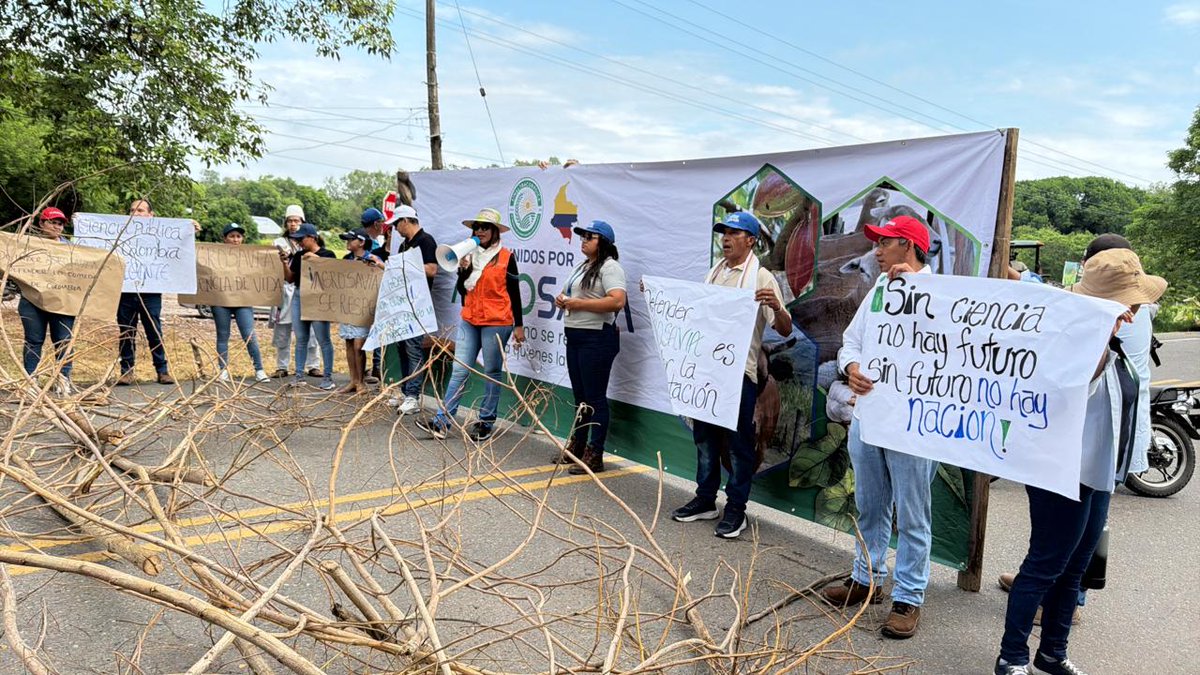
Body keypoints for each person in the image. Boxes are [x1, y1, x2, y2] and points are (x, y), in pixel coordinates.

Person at [994, 248, 1166, 675]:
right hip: (1063, 474)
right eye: (1130, 300)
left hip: (1099, 473)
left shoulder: (1115, 337)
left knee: (1075, 570)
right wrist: (1098, 331)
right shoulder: (1072, 340)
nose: (1137, 307)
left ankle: (1052, 653)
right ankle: (1011, 657)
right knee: (1043, 566)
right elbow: (1067, 392)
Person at [818, 215, 938, 639]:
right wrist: (851, 367)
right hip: (870, 417)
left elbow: (953, 346)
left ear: (908, 245)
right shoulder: (881, 290)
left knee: (912, 512)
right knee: (869, 504)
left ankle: (908, 595)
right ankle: (865, 578)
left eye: (884, 242)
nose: (876, 250)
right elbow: (852, 340)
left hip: (913, 426)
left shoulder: (943, 294)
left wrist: (922, 291)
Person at [670, 211, 792, 539]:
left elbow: (784, 329)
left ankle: (736, 508)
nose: (725, 238)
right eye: (723, 232)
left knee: (740, 444)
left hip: (739, 375)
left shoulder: (760, 278)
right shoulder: (714, 273)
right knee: (705, 438)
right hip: (708, 371)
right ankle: (705, 500)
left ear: (751, 240)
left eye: (734, 233)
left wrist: (777, 308)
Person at [415, 207, 525, 441]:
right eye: (477, 227)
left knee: (492, 372)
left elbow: (514, 293)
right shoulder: (468, 254)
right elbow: (462, 291)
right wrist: (464, 271)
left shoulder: (507, 257)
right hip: (470, 319)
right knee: (459, 370)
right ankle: (441, 422)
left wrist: (519, 326)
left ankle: (486, 421)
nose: (480, 230)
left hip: (497, 321)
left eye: (485, 227)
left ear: (495, 231)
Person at [552, 220, 626, 475]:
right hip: (576, 335)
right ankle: (578, 447)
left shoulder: (610, 267)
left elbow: (617, 301)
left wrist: (577, 304)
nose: (583, 239)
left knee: (594, 398)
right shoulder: (584, 266)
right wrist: (562, 300)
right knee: (581, 398)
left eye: (590, 237)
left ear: (603, 242)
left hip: (597, 338)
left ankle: (595, 454)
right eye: (582, 236)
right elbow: (572, 295)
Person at [116, 198, 175, 385]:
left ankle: (162, 370)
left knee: (154, 331)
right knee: (126, 331)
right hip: (125, 291)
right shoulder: (118, 232)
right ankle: (126, 371)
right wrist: (82, 221)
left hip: (150, 292)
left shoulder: (162, 234)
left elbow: (180, 244)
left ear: (151, 215)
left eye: (141, 210)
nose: (136, 214)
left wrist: (190, 229)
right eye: (132, 210)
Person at [18, 207, 77, 395]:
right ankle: (30, 379)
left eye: (60, 224)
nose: (57, 227)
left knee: (64, 341)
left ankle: (63, 379)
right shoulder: (27, 245)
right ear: (41, 223)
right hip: (32, 301)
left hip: (63, 302)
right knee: (33, 340)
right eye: (53, 222)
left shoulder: (72, 248)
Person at [385, 205, 438, 415]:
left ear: (406, 221)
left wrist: (405, 265)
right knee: (402, 349)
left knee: (414, 350)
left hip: (418, 304)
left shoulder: (426, 241)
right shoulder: (403, 245)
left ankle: (413, 397)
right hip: (401, 304)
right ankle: (406, 390)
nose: (396, 229)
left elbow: (432, 269)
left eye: (397, 224)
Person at [279, 222, 337, 391]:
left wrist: (316, 259)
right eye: (297, 240)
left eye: (301, 239)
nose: (299, 242)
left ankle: (328, 377)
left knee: (323, 339)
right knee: (301, 339)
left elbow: (335, 274)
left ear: (312, 237)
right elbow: (290, 278)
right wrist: (284, 263)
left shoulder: (328, 254)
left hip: (318, 299)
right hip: (299, 296)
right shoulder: (298, 256)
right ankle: (299, 376)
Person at [210, 223, 270, 384]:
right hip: (221, 300)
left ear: (242, 239)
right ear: (224, 239)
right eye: (232, 236)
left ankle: (259, 370)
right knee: (223, 336)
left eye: (238, 236)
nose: (235, 240)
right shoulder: (214, 255)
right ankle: (222, 370)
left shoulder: (249, 256)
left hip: (243, 300)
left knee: (249, 335)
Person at [270, 204, 321, 379]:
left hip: (304, 291)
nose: (293, 224)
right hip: (285, 289)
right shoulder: (278, 243)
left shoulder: (308, 244)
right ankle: (281, 366)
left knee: (310, 332)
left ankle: (313, 365)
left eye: (296, 220)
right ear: (285, 223)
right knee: (283, 331)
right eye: (290, 220)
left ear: (302, 222)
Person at [335, 228, 381, 394]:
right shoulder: (346, 259)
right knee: (348, 342)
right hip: (348, 306)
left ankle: (361, 381)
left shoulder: (372, 259)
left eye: (351, 239)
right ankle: (353, 380)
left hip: (364, 307)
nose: (347, 242)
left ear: (361, 242)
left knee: (358, 344)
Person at [359, 207, 389, 383]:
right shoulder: (368, 242)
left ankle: (379, 366)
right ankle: (374, 367)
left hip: (385, 291)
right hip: (372, 290)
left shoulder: (384, 240)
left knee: (381, 330)